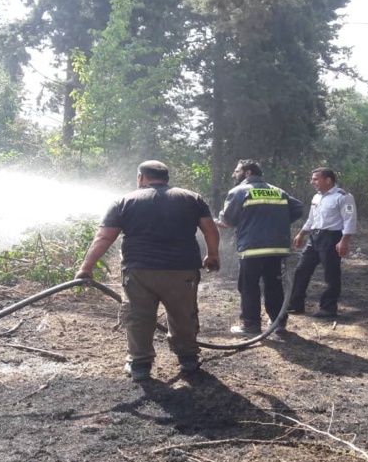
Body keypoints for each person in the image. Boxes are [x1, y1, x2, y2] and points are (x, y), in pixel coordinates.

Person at [75, 160, 220, 383]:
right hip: (181, 270)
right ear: (167, 178)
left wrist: (86, 267)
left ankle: (140, 364)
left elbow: (105, 237)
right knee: (183, 314)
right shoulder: (191, 198)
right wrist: (212, 254)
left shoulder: (124, 200)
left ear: (140, 177)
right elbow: (210, 229)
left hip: (139, 271)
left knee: (138, 316)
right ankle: (188, 359)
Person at [218, 159, 303, 339]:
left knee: (249, 286)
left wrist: (228, 222)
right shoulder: (278, 191)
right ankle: (278, 324)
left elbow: (228, 220)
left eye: (236, 171)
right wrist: (276, 220)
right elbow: (298, 208)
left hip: (252, 248)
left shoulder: (239, 191)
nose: (234, 174)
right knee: (274, 285)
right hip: (276, 248)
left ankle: (251, 325)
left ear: (247, 173)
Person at [288, 168, 357, 318]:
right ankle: (295, 305)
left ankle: (328, 308)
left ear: (328, 180)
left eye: (315, 179)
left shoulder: (343, 197)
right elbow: (311, 219)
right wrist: (301, 234)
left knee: (331, 274)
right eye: (312, 179)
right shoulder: (316, 197)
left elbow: (349, 219)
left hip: (332, 238)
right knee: (301, 270)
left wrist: (344, 240)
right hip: (314, 238)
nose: (312, 182)